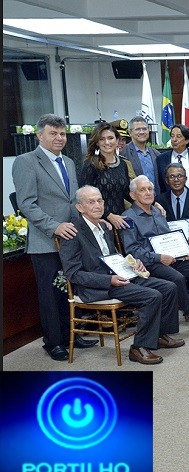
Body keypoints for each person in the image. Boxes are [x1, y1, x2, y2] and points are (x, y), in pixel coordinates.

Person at [60, 186, 183, 365]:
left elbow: (114, 257)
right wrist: (109, 280)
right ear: (80, 207)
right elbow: (73, 273)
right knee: (152, 296)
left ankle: (158, 335)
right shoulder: (73, 232)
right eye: (91, 202)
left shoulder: (104, 226)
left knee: (169, 286)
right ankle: (138, 348)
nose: (97, 205)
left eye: (100, 201)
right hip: (98, 286)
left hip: (119, 275)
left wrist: (132, 263)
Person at [12, 113, 97, 361]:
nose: (59, 138)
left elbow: (72, 202)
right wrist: (54, 226)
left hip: (71, 239)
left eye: (62, 133)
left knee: (68, 289)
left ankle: (72, 334)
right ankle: (53, 342)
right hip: (45, 240)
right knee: (50, 293)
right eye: (53, 133)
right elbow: (27, 204)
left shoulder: (69, 162)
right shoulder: (26, 161)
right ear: (40, 135)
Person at [120, 176, 189, 332]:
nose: (148, 193)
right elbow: (132, 250)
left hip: (172, 259)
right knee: (177, 278)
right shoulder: (128, 218)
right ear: (133, 195)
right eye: (142, 190)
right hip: (150, 263)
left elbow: (168, 238)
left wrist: (184, 252)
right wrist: (159, 257)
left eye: (150, 189)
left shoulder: (157, 211)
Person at [80, 121, 136, 230]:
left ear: (117, 141)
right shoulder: (91, 165)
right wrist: (109, 216)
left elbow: (127, 193)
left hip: (121, 220)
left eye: (110, 138)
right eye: (102, 139)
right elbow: (85, 198)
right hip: (100, 222)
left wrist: (150, 204)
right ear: (97, 143)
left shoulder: (123, 164)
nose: (107, 142)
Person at [154, 163, 189, 253]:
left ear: (185, 179)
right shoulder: (159, 200)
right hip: (168, 244)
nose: (176, 180)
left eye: (180, 176)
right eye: (172, 177)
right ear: (166, 181)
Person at [156, 124, 189, 195]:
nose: (174, 139)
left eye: (178, 136)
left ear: (187, 140)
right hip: (169, 202)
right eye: (172, 136)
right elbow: (160, 185)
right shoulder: (161, 159)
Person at [125, 116, 162, 195]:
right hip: (134, 202)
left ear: (149, 130)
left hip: (155, 201)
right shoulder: (123, 153)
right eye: (138, 129)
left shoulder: (157, 154)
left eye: (144, 129)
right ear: (130, 132)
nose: (142, 132)